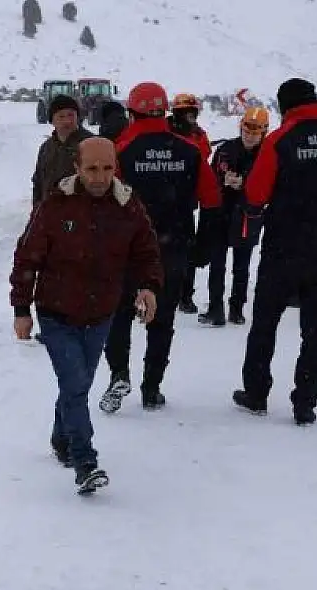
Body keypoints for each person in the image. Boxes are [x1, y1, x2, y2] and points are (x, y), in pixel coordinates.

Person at [10, 137, 163, 494]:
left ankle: (61, 438)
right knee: (76, 385)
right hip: (55, 313)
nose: (100, 177)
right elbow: (26, 257)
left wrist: (148, 287)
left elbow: (147, 253)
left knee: (75, 385)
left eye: (107, 168)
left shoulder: (128, 207)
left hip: (101, 314)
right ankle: (85, 461)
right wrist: (21, 309)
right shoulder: (55, 206)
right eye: (92, 168)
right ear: (77, 168)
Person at [233, 78, 317, 425]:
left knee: (265, 322)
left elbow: (256, 193)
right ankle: (305, 402)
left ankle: (257, 392)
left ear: (284, 106)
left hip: (283, 248)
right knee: (315, 328)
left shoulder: (279, 141)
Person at [99, 81, 221, 413]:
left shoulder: (120, 151)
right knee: (162, 318)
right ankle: (152, 388)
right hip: (172, 246)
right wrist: (204, 246)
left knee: (119, 314)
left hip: (126, 248)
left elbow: (103, 203)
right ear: (164, 111)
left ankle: (118, 374)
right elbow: (212, 202)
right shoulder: (190, 151)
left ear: (131, 112)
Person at [196, 106, 270, 326]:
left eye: (255, 132)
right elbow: (210, 178)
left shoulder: (267, 154)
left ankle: (237, 309)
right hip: (222, 212)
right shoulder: (226, 149)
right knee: (217, 263)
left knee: (242, 265)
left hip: (248, 215)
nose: (250, 135)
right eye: (247, 130)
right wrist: (223, 182)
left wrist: (245, 184)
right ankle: (215, 309)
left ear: (263, 132)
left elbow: (269, 184)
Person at [167, 92, 213, 314]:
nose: (190, 116)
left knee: (187, 251)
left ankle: (185, 294)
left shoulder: (199, 136)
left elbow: (204, 157)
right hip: (161, 200)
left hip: (186, 201)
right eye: (185, 113)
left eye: (192, 112)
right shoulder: (164, 133)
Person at [30, 94, 95, 205]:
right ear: (52, 120)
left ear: (77, 117)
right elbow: (38, 183)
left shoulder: (92, 144)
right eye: (61, 116)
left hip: (81, 214)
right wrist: (37, 211)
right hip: (50, 213)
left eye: (71, 115)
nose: (67, 121)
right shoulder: (46, 148)